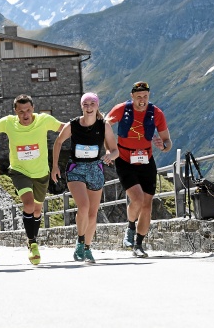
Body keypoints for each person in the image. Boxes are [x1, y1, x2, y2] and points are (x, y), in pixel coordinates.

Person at [0, 94, 64, 265]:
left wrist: (94, 122)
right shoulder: (9, 122)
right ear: (15, 111)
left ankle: (33, 238)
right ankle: (32, 242)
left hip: (41, 173)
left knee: (38, 210)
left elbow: (65, 128)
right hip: (19, 171)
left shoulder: (44, 120)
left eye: (28, 111)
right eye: (21, 111)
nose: (25, 115)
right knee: (29, 205)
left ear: (33, 109)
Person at [105, 81, 172, 258]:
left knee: (147, 205)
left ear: (148, 96)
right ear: (132, 96)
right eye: (139, 97)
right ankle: (130, 227)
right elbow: (104, 127)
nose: (142, 100)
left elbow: (167, 141)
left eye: (145, 96)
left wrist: (162, 146)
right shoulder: (121, 109)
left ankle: (139, 244)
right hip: (125, 160)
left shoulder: (156, 113)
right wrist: (109, 149)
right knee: (137, 199)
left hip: (146, 160)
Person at [51, 93, 118, 263]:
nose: (89, 107)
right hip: (76, 169)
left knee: (92, 213)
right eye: (85, 104)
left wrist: (111, 156)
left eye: (92, 104)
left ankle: (87, 248)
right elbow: (58, 142)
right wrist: (55, 166)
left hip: (95, 169)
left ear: (97, 106)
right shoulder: (73, 125)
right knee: (84, 206)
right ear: (82, 106)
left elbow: (114, 149)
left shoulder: (104, 126)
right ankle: (80, 242)